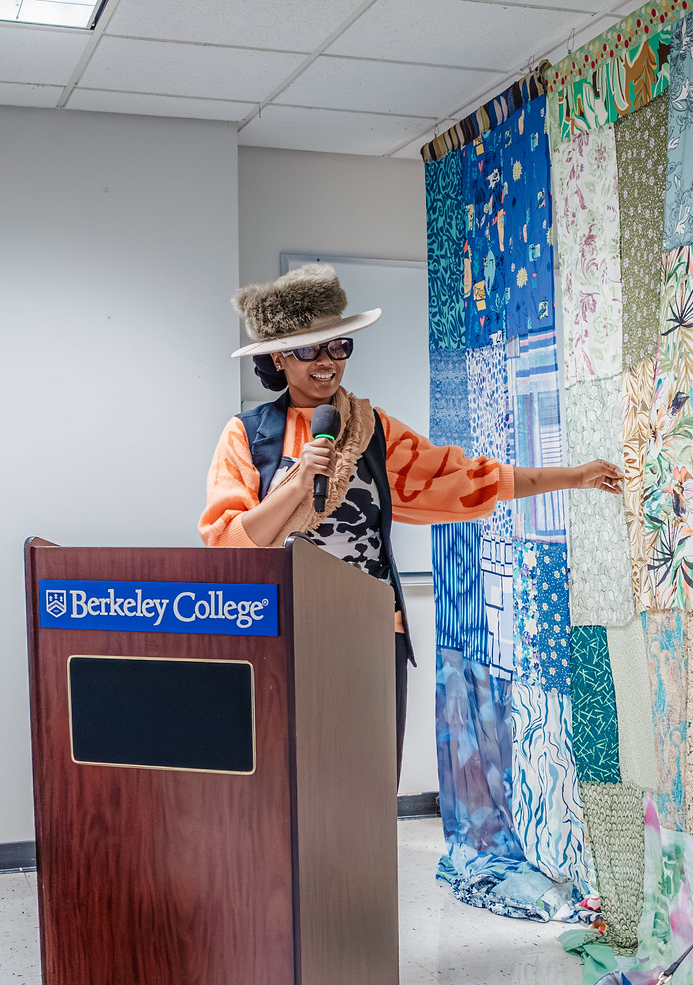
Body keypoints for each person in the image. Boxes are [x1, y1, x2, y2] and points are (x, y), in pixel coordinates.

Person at [200, 265, 620, 747]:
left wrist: (576, 476)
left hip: (374, 629)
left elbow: (467, 479)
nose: (326, 360)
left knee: (373, 776)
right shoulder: (248, 435)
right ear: (278, 359)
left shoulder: (371, 430)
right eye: (307, 348)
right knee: (296, 775)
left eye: (338, 345)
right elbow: (227, 544)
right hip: (287, 630)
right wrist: (297, 486)